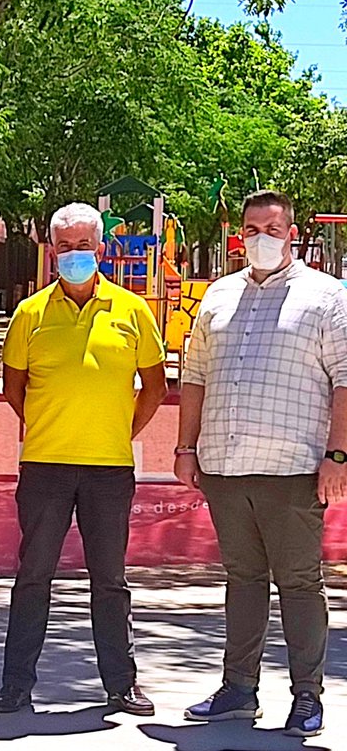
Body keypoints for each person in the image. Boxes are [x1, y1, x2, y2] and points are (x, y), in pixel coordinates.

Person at [177, 190, 347, 738]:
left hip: (294, 469)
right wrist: (185, 449)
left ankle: (306, 698)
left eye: (271, 230)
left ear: (292, 235)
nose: (260, 240)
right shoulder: (218, 297)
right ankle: (238, 690)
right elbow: (194, 376)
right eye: (251, 230)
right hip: (225, 467)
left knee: (299, 584)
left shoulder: (326, 298)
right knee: (242, 580)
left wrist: (337, 456)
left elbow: (345, 381)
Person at [0, 203, 166, 716]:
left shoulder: (134, 311)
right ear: (52, 252)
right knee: (33, 577)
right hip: (44, 466)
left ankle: (121, 685)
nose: (74, 255)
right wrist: (51, 426)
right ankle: (15, 686)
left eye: (83, 245)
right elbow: (13, 388)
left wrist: (118, 430)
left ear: (102, 249)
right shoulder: (29, 314)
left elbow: (154, 388)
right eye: (64, 247)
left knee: (110, 581)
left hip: (110, 469)